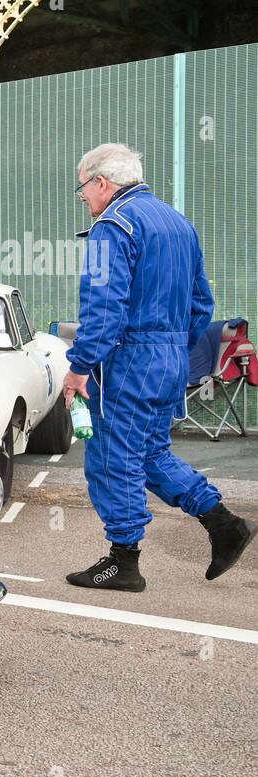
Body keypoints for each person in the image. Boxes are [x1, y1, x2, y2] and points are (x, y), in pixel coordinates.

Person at [62, 143, 254, 593]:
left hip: (127, 360)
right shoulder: (179, 223)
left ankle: (123, 563)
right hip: (169, 358)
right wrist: (172, 349)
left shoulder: (113, 225)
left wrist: (80, 365)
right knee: (149, 454)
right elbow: (201, 302)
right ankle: (224, 525)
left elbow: (104, 309)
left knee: (113, 459)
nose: (85, 200)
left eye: (83, 190)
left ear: (102, 183)